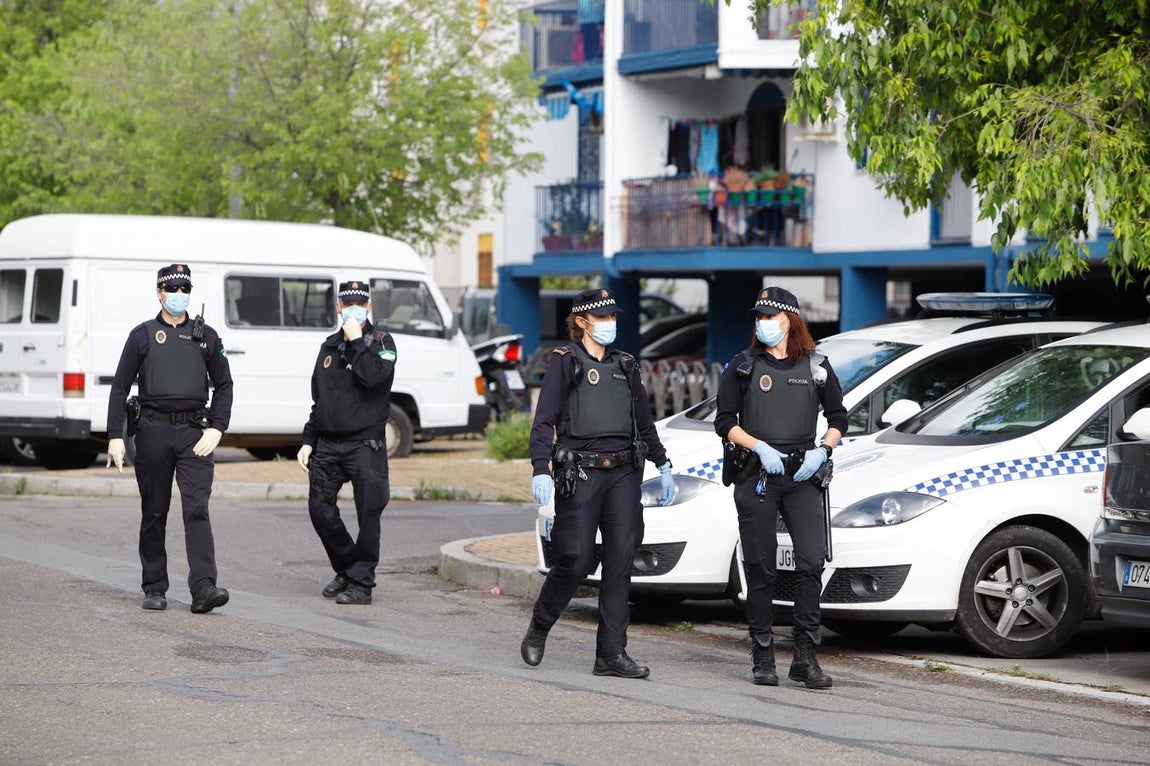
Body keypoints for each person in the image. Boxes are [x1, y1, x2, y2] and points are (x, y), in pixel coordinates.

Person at [520, 287, 676, 679]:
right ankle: (540, 624)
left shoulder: (625, 365)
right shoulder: (565, 362)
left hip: (624, 473)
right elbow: (544, 421)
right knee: (574, 560)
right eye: (603, 318)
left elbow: (643, 421)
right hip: (582, 473)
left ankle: (610, 654)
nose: (610, 324)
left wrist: (663, 461)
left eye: (613, 317)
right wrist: (541, 467)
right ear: (582, 322)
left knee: (621, 560)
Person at [714, 286, 847, 689]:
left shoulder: (817, 365)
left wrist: (822, 451)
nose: (763, 323)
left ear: (790, 320)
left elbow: (839, 416)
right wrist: (758, 446)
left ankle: (805, 656)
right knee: (761, 567)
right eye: (759, 317)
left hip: (802, 473)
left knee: (811, 562)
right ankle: (763, 653)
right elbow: (724, 421)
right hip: (758, 474)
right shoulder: (743, 365)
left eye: (770, 316)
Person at [106, 263, 234, 614]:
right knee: (155, 510)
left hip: (195, 433)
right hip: (153, 430)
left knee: (197, 508)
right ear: (159, 293)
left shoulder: (205, 335)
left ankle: (204, 587)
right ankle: (154, 586)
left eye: (185, 289)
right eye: (173, 289)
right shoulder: (143, 335)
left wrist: (217, 428)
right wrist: (115, 435)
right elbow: (119, 387)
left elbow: (224, 385)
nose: (179, 295)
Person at [296, 280, 397, 606]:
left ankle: (361, 584)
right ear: (339, 306)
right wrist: (308, 440)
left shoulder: (381, 342)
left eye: (360, 302)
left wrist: (357, 342)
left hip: (364, 445)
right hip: (328, 445)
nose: (353, 307)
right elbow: (319, 400)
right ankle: (347, 568)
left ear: (368, 306)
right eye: (347, 302)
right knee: (319, 509)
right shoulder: (327, 347)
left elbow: (373, 378)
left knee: (369, 512)